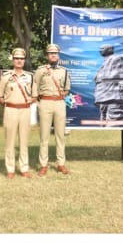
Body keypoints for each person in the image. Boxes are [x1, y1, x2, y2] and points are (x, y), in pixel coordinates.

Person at [33, 44, 71, 175]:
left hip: (59, 103)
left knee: (60, 135)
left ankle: (61, 164)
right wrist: (40, 101)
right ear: (47, 56)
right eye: (50, 53)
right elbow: (35, 86)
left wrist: (60, 97)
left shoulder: (64, 71)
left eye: (55, 53)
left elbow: (67, 88)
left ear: (58, 55)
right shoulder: (40, 70)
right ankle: (43, 165)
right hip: (45, 103)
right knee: (44, 136)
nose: (53, 55)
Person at [0, 48, 33, 179]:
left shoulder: (30, 76)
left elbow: (35, 94)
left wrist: (29, 101)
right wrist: (10, 103)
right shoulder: (6, 76)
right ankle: (10, 169)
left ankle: (24, 168)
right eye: (16, 58)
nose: (19, 61)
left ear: (24, 60)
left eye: (21, 59)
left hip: (25, 110)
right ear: (13, 60)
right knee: (10, 141)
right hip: (10, 110)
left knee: (24, 141)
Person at [93, 44, 123, 124]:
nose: (100, 50)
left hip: (112, 94)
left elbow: (122, 73)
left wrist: (122, 85)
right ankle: (102, 133)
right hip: (103, 94)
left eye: (102, 48)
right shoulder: (106, 61)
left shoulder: (115, 59)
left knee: (112, 117)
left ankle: (109, 132)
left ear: (109, 50)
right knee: (103, 116)